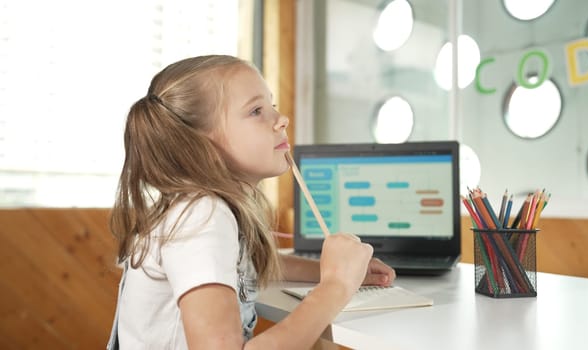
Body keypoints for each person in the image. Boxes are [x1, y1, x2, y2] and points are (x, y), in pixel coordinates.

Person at [107, 54, 396, 349]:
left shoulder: (196, 208)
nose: (281, 119)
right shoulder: (201, 216)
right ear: (200, 145)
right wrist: (335, 286)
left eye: (272, 105)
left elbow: (253, 264)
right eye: (256, 110)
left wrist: (336, 270)